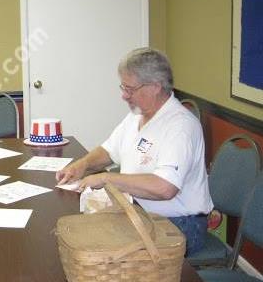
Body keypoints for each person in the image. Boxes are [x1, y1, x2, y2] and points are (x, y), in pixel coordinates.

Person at [56, 47, 213, 256]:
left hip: (179, 225)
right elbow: (108, 151)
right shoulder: (137, 115)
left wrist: (106, 178)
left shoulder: (180, 126)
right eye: (123, 87)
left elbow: (165, 187)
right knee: (78, 233)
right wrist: (82, 165)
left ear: (155, 87)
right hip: (139, 212)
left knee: (100, 249)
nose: (124, 96)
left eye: (130, 89)